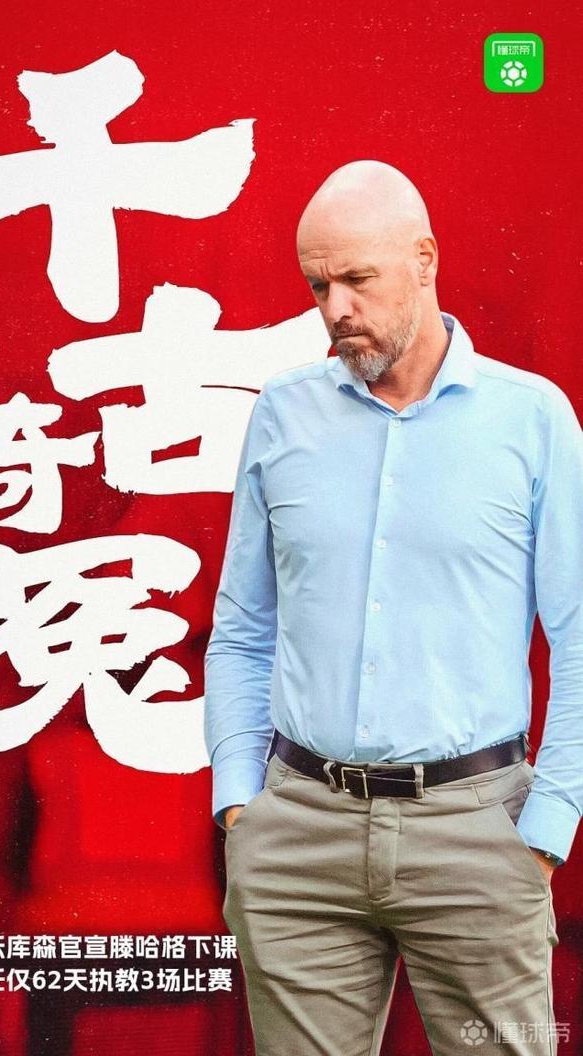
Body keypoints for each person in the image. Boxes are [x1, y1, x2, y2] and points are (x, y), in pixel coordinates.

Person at [203, 160, 583, 1056]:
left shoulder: (533, 420)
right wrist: (239, 804)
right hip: (298, 836)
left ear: (425, 259)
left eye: (357, 279)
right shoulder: (281, 414)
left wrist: (546, 830)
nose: (336, 309)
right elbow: (243, 628)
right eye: (317, 286)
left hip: (477, 833)